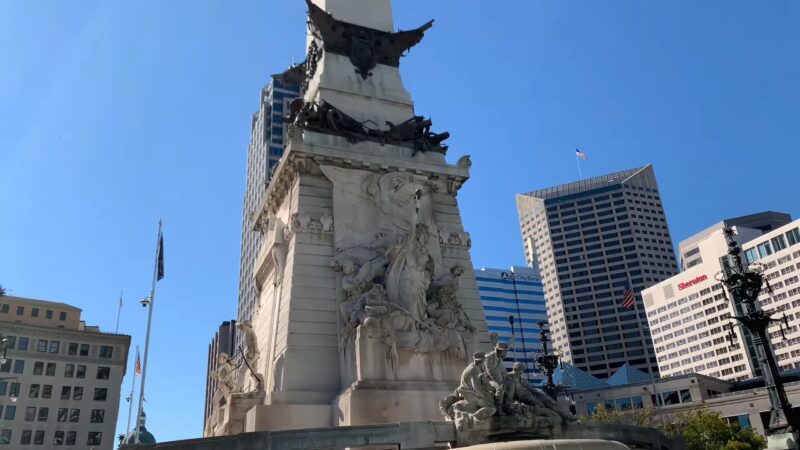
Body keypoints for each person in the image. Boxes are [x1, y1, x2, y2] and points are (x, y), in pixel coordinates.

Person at [505, 362, 576, 424]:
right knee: (539, 404)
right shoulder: (509, 377)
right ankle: (546, 416)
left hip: (531, 394)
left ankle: (567, 416)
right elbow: (510, 393)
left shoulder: (522, 379)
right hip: (523, 397)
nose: (522, 372)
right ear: (516, 369)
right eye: (521, 370)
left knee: (549, 400)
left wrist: (540, 392)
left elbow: (531, 388)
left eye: (522, 370)